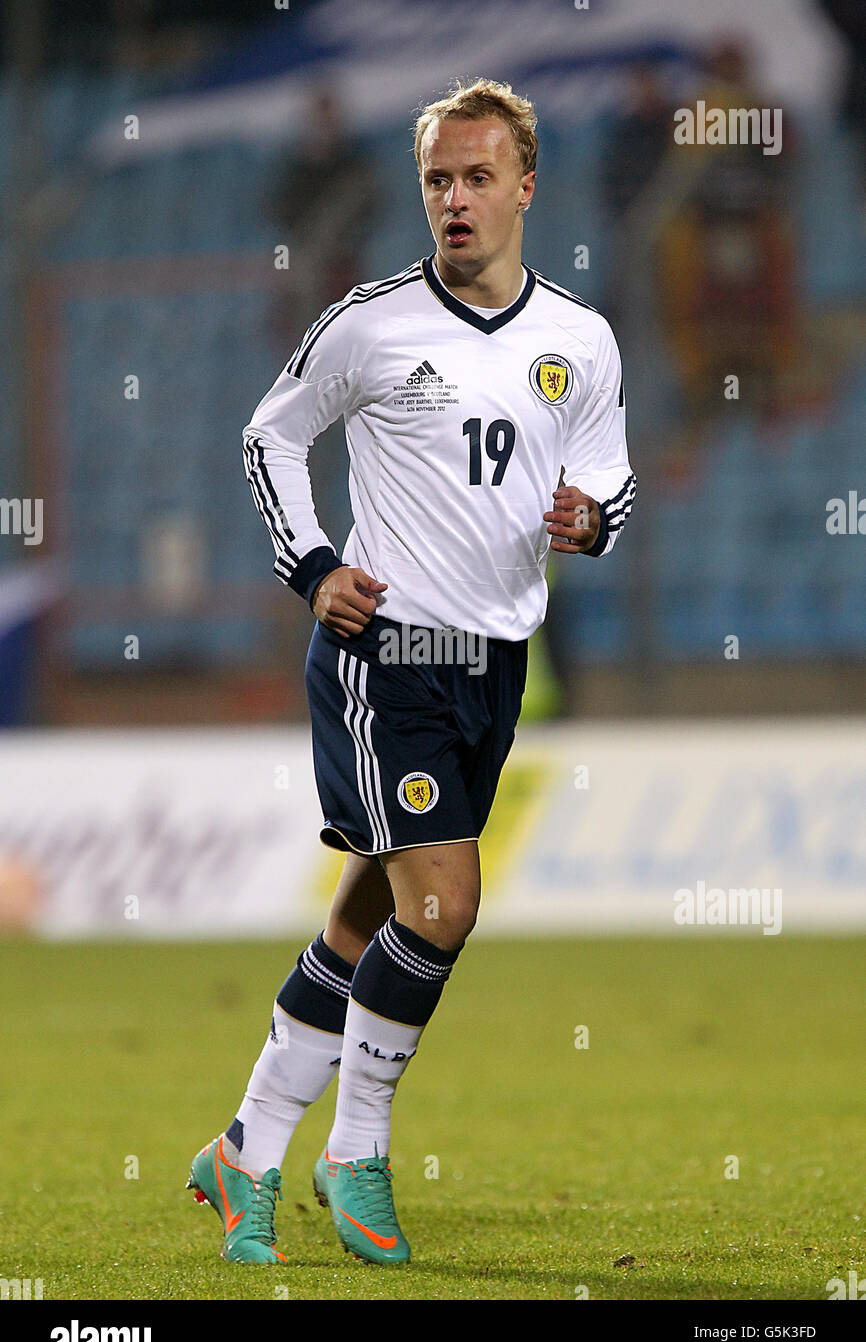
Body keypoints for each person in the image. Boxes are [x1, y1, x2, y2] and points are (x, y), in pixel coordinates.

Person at [187, 78, 636, 1267]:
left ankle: (244, 1144)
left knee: (365, 917)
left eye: (477, 177)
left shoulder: (577, 340)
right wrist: (312, 562)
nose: (453, 199)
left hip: (489, 665)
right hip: (380, 654)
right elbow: (268, 434)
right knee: (443, 905)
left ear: (524, 187)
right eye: (437, 179)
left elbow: (609, 480)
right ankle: (358, 1149)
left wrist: (590, 520)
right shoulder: (369, 322)